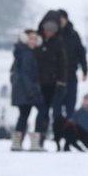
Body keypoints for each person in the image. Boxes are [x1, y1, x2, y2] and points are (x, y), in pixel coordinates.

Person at [34, 11, 69, 149]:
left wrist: (62, 81)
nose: (49, 32)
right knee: (41, 112)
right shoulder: (36, 41)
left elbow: (63, 64)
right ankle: (38, 139)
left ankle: (54, 138)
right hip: (38, 83)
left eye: (52, 30)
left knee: (53, 113)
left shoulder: (59, 43)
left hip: (53, 84)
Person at [9, 29, 44, 151]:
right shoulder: (27, 54)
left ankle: (17, 142)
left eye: (35, 39)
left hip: (22, 90)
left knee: (24, 115)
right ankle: (35, 142)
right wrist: (32, 91)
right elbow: (26, 74)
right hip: (27, 90)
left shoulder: (22, 52)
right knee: (41, 111)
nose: (33, 41)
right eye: (31, 38)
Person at [57, 9, 88, 118]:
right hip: (56, 76)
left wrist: (85, 69)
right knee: (57, 106)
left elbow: (81, 52)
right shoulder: (53, 35)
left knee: (71, 103)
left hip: (71, 74)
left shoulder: (73, 35)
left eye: (62, 19)